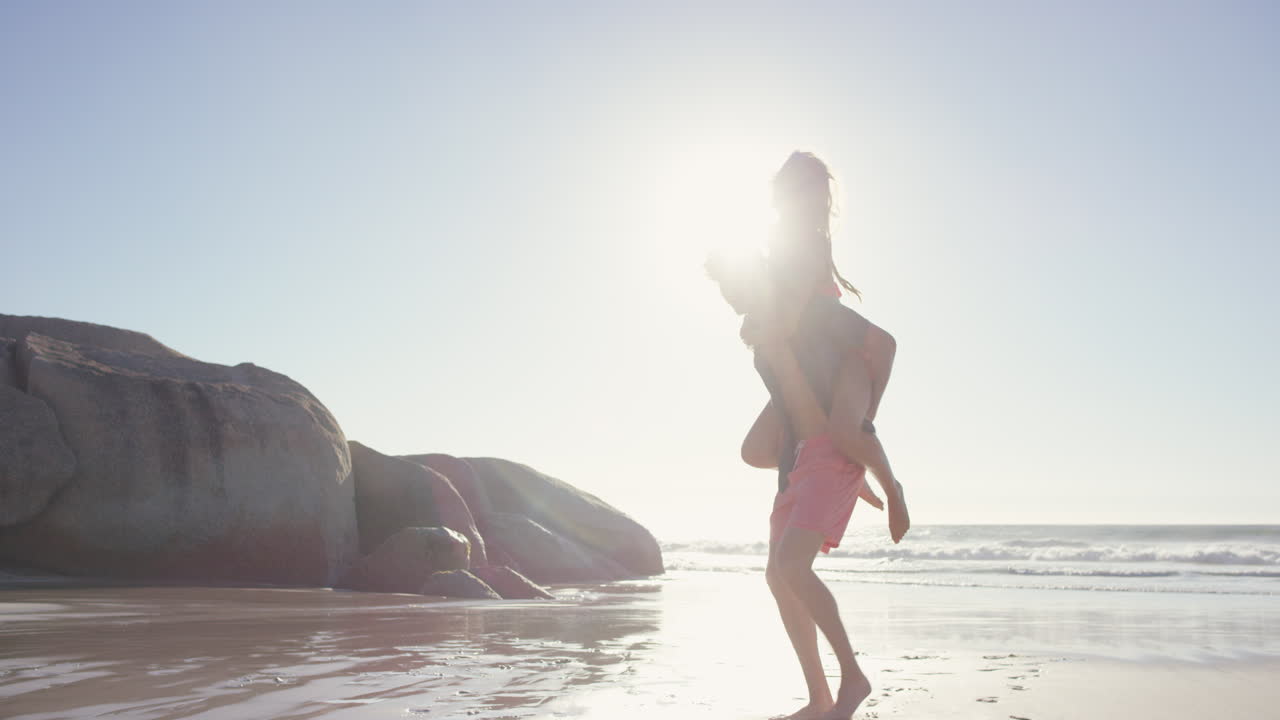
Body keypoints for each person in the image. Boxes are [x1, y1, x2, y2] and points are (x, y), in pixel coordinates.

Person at [717, 151, 910, 720]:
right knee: (779, 574)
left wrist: (862, 437)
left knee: (793, 566)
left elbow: (888, 346)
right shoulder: (777, 311)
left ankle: (851, 681)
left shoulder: (827, 320)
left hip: (833, 434)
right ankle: (819, 696)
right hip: (805, 447)